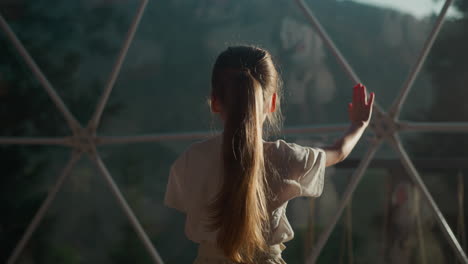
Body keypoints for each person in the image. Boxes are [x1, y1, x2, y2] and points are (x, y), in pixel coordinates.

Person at [164, 45, 375, 264]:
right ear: (272, 103)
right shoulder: (285, 157)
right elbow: (338, 152)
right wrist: (358, 125)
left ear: (215, 102)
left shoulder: (191, 160)